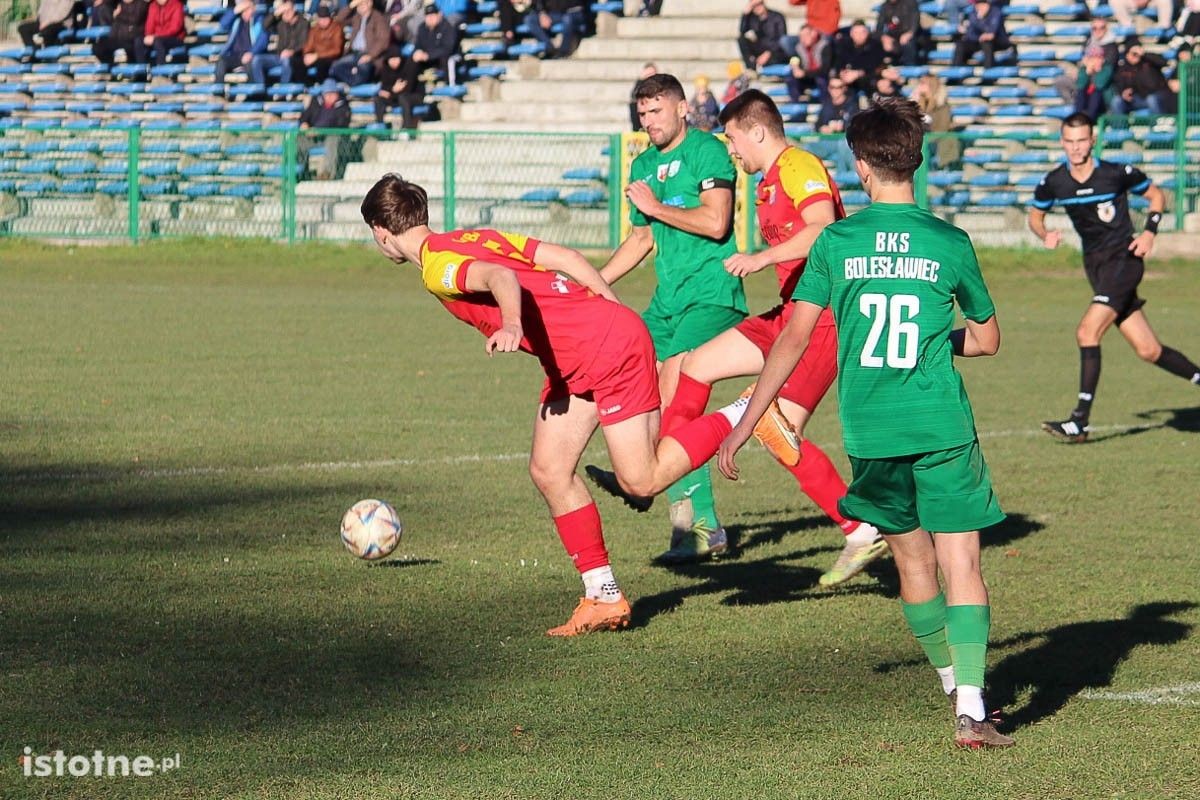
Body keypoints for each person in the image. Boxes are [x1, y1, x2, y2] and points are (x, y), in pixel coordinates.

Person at [720, 98, 1012, 749]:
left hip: (872, 432)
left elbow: (793, 340)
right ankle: (971, 703)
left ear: (859, 167)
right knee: (960, 557)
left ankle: (950, 681)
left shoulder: (836, 241)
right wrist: (938, 345)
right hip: (940, 425)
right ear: (917, 157)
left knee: (913, 561)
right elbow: (988, 341)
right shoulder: (949, 241)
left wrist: (748, 420)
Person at [359, 176, 758, 633]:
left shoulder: (436, 266)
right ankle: (603, 595)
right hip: (581, 354)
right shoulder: (475, 237)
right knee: (549, 469)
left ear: (381, 231)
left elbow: (499, 276)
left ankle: (747, 413)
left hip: (605, 351)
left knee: (641, 480)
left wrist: (511, 323)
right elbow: (566, 258)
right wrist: (612, 308)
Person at [607, 89, 890, 585]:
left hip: (823, 318)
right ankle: (659, 472)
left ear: (758, 131)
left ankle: (862, 530)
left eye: (735, 140)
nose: (731, 152)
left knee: (777, 431)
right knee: (695, 365)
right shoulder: (768, 181)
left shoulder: (799, 165)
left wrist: (761, 258)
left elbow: (824, 230)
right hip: (788, 313)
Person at [597, 73, 748, 563]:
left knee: (672, 395)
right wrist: (593, 283)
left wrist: (656, 206)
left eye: (656, 111)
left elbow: (716, 221)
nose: (648, 121)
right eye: (642, 113)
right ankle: (670, 506)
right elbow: (642, 240)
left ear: (683, 109)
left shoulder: (708, 151)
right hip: (668, 302)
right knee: (639, 391)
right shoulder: (643, 164)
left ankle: (691, 521)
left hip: (712, 294)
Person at [1029, 112, 1200, 443]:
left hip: (1125, 260)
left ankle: (1079, 420)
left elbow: (1157, 195)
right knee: (1149, 350)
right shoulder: (1054, 182)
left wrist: (1149, 232)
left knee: (1087, 331)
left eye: (1082, 140)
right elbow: (1035, 217)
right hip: (1096, 267)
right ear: (1062, 142)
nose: (1076, 148)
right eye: (1070, 141)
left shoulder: (1115, 174)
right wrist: (1044, 234)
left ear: (1092, 140)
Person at [299, 79, 352, 179]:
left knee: (333, 139)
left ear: (337, 94)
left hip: (333, 138)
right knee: (299, 140)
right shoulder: (316, 102)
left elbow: (340, 125)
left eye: (332, 93)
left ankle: (327, 173)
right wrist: (304, 123)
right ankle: (301, 172)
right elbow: (305, 116)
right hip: (314, 137)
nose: (329, 97)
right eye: (327, 94)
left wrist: (318, 130)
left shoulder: (343, 106)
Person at [330, 0, 391, 86]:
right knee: (334, 68)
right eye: (358, 5)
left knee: (361, 74)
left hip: (369, 55)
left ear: (370, 3)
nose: (360, 7)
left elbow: (383, 40)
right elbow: (339, 20)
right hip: (353, 53)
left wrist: (370, 56)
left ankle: (349, 84)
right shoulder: (356, 17)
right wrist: (350, 6)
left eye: (362, 4)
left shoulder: (379, 18)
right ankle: (349, 82)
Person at [251, 0, 310, 86]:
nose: (286, 13)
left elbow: (303, 42)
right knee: (257, 60)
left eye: (288, 10)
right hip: (279, 55)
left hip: (295, 57)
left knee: (286, 61)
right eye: (284, 11)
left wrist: (291, 51)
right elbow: (264, 26)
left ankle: (283, 89)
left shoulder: (303, 23)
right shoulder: (281, 23)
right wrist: (276, 13)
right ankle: (260, 88)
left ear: (294, 10)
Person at [1111, 36, 1176, 115]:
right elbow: (1118, 84)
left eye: (1137, 53)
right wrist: (1123, 92)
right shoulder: (1123, 68)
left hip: (1156, 95)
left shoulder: (1148, 61)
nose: (1136, 55)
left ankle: (1158, 124)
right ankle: (1120, 127)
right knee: (1117, 101)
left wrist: (1144, 54)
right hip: (1135, 99)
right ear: (1127, 54)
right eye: (1133, 53)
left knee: (1151, 99)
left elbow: (1164, 62)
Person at [912, 73, 961, 168]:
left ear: (931, 86)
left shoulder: (942, 106)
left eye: (922, 83)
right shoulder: (918, 104)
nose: (919, 86)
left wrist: (926, 140)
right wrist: (913, 102)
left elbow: (942, 129)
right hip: (920, 142)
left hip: (934, 142)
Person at [215, 0, 269, 83]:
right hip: (236, 55)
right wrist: (234, 11)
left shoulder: (259, 20)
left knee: (252, 64)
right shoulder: (236, 20)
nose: (246, 12)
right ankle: (218, 89)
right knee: (221, 61)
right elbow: (223, 24)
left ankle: (254, 92)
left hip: (251, 55)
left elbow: (263, 41)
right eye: (243, 10)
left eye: (248, 9)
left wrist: (251, 53)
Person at [373, 44, 424, 132]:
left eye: (397, 58)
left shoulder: (408, 66)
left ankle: (407, 129)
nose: (395, 61)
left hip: (414, 96)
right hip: (395, 96)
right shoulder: (385, 70)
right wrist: (392, 90)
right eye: (392, 59)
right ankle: (380, 127)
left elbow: (408, 88)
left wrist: (392, 91)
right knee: (378, 98)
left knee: (403, 98)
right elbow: (384, 88)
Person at [952, 0, 1011, 70]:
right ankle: (955, 71)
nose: (978, 7)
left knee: (986, 43)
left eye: (981, 4)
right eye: (977, 4)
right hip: (978, 41)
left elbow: (991, 33)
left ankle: (988, 70)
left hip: (996, 42)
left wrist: (981, 20)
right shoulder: (974, 13)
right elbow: (970, 34)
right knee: (961, 44)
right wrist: (980, 36)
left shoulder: (995, 12)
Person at [832, 19, 885, 96]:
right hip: (848, 78)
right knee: (835, 84)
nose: (859, 36)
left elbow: (875, 66)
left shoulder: (875, 45)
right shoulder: (844, 45)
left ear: (867, 33)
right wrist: (842, 73)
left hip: (868, 80)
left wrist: (857, 73)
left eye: (863, 32)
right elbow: (839, 62)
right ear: (851, 34)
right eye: (856, 33)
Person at [409, 3, 460, 79]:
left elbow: (448, 49)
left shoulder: (447, 26)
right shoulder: (422, 28)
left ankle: (447, 85)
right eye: (428, 15)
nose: (430, 18)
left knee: (446, 59)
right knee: (411, 59)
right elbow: (418, 44)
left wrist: (428, 55)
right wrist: (417, 52)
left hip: (441, 60)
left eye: (433, 15)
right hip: (427, 59)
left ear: (439, 15)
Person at [785, 24, 832, 103]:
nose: (803, 39)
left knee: (821, 80)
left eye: (806, 35)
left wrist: (804, 73)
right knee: (790, 77)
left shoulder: (825, 46)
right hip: (807, 77)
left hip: (821, 76)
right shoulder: (799, 47)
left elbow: (824, 70)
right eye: (801, 36)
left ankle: (826, 105)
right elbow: (794, 59)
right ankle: (795, 103)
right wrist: (795, 68)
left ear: (814, 34)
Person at [93, 0, 149, 66]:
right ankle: (113, 68)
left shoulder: (142, 4)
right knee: (98, 48)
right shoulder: (118, 4)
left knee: (132, 48)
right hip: (118, 37)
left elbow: (135, 19)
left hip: (132, 39)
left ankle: (137, 73)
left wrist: (118, 15)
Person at [738, 0, 789, 71]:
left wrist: (768, 53)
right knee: (741, 40)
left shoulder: (777, 17)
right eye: (754, 6)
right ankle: (752, 68)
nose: (757, 7)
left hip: (775, 51)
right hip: (760, 49)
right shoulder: (752, 18)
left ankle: (762, 67)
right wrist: (745, 15)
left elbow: (782, 38)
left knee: (780, 55)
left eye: (759, 4)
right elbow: (742, 31)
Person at [302, 5, 346, 86]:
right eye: (321, 19)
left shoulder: (336, 28)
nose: (323, 21)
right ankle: (305, 85)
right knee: (297, 62)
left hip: (330, 57)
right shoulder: (314, 29)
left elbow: (337, 50)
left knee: (322, 64)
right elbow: (309, 45)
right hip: (316, 56)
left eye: (326, 19)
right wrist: (306, 54)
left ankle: (322, 86)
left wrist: (317, 56)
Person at [138, 0, 186, 66]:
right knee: (139, 41)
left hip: (175, 37)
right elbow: (150, 24)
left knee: (158, 42)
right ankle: (142, 70)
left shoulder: (177, 5)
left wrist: (156, 36)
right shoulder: (153, 5)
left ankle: (160, 68)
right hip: (156, 37)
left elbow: (175, 28)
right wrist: (148, 35)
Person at [875, 0, 921, 66]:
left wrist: (909, 33)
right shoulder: (884, 6)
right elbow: (879, 28)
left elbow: (915, 22)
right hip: (894, 36)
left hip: (911, 36)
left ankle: (909, 67)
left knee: (907, 43)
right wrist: (883, 37)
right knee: (876, 42)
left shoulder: (910, 3)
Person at [630, 62, 657, 130]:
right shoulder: (640, 88)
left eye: (652, 74)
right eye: (648, 75)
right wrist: (640, 80)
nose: (650, 77)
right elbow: (634, 96)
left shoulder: (661, 87)